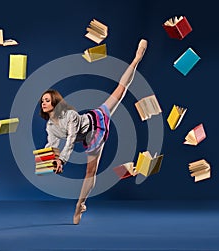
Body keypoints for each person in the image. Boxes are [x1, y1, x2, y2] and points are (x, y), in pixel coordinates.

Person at [39, 39, 148, 224]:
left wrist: (62, 160)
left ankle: (136, 58)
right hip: (86, 129)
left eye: (47, 100)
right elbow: (51, 144)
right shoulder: (50, 126)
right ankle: (81, 205)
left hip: (95, 125)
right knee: (89, 171)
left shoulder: (70, 115)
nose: (44, 103)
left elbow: (72, 139)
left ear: (55, 102)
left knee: (120, 90)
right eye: (42, 100)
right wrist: (51, 161)